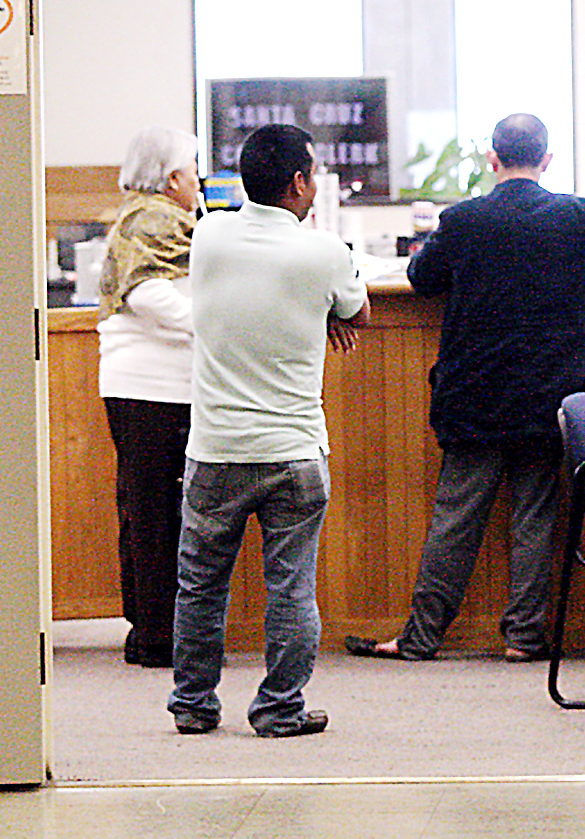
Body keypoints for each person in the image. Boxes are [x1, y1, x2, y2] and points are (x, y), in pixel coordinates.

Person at [344, 113, 585, 662]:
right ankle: (524, 638)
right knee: (535, 518)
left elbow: (421, 279)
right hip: (547, 396)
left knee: (455, 520)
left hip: (475, 398)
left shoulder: (464, 220)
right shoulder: (574, 216)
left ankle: (421, 637)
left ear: (492, 160)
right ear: (548, 159)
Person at [167, 123, 370, 738]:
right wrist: (324, 311)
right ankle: (280, 709)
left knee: (200, 585)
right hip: (293, 452)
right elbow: (358, 314)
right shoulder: (325, 253)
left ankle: (194, 706)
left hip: (216, 449)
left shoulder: (209, 235)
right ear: (300, 182)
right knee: (291, 586)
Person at [96, 126, 203, 669]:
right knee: (159, 514)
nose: (198, 180)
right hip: (152, 388)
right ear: (170, 179)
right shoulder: (155, 219)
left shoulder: (147, 218)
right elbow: (146, 292)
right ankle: (162, 637)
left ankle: (147, 630)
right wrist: (212, 324)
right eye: (192, 169)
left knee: (143, 509)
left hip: (141, 386)